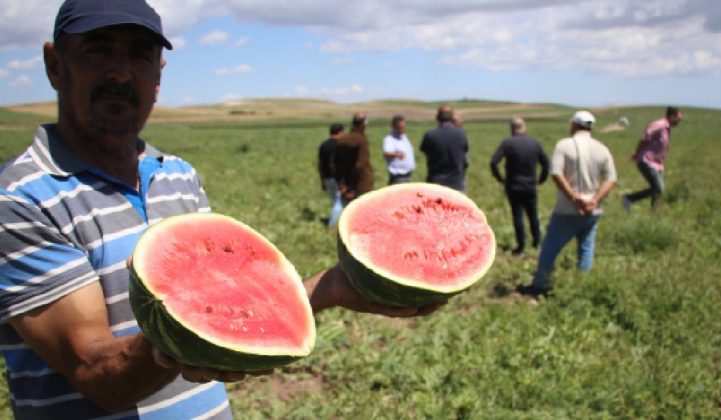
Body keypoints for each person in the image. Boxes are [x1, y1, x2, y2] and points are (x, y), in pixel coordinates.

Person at [0, 1, 438, 418]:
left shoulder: (178, 176)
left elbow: (228, 307)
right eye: (98, 51)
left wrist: (333, 287)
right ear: (56, 65)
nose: (120, 72)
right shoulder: (20, 200)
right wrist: (178, 340)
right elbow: (96, 373)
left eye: (140, 55)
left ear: (159, 75)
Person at [516, 111, 617, 297]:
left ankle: (540, 285)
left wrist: (573, 198)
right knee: (586, 248)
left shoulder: (564, 145)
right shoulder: (602, 148)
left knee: (549, 248)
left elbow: (555, 172)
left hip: (566, 210)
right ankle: (581, 288)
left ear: (574, 125)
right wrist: (595, 200)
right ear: (591, 128)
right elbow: (611, 178)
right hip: (592, 210)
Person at [490, 117, 550, 255]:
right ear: (524, 127)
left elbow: (493, 162)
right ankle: (537, 242)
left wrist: (500, 179)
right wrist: (541, 179)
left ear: (512, 128)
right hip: (530, 185)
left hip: (513, 186)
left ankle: (521, 246)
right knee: (533, 215)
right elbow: (546, 163)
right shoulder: (535, 143)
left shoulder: (508, 143)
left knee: (517, 216)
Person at [623, 107, 684, 211]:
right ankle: (629, 198)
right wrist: (637, 153)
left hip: (658, 164)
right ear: (672, 116)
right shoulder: (659, 125)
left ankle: (655, 214)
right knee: (659, 188)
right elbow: (644, 139)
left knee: (657, 191)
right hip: (646, 160)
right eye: (678, 119)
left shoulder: (667, 128)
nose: (679, 122)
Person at [420, 105, 469, 192]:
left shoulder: (429, 135)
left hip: (435, 183)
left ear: (437, 117)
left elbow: (425, 151)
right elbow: (464, 155)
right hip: (456, 183)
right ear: (451, 118)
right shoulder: (461, 134)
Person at [333, 111, 374, 202]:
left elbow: (334, 163)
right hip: (362, 184)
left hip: (346, 183)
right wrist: (352, 187)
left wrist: (341, 182)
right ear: (364, 124)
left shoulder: (342, 139)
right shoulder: (361, 140)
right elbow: (360, 165)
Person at [318, 122, 345, 226]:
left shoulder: (323, 145)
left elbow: (320, 164)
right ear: (340, 132)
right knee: (339, 202)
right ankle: (332, 225)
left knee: (335, 200)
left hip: (327, 178)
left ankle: (338, 222)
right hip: (338, 178)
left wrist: (322, 180)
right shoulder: (340, 145)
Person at [382, 115, 416, 184]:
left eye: (403, 127)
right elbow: (386, 153)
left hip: (408, 175)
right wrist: (397, 154)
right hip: (398, 178)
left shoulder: (404, 137)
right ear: (394, 126)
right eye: (400, 128)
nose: (402, 129)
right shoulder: (389, 139)